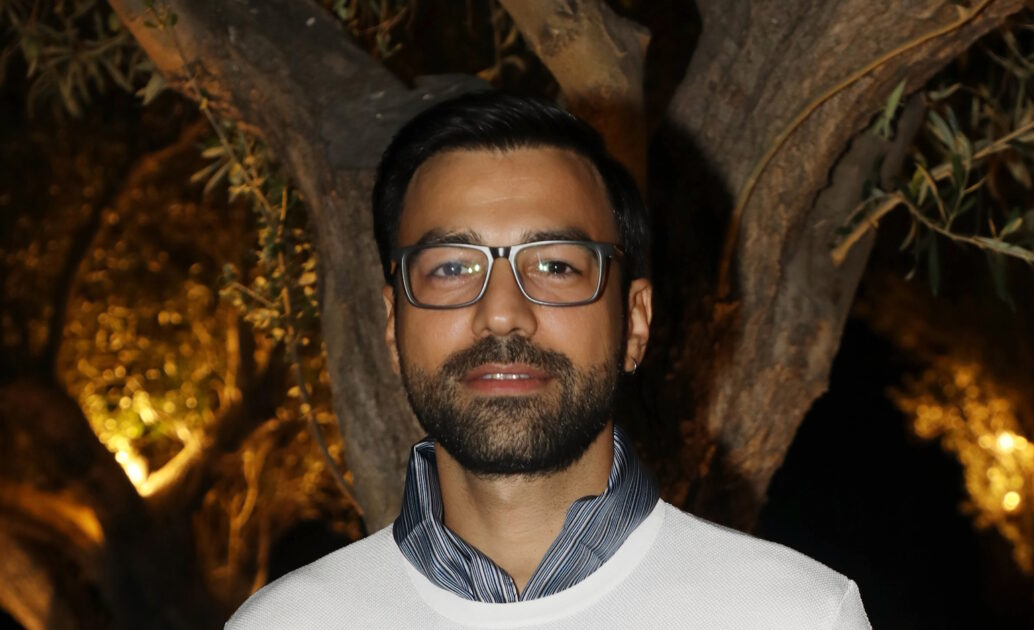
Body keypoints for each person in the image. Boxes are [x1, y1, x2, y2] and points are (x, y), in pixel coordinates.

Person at [226, 91, 871, 629]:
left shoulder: (794, 615)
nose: (502, 313)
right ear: (393, 326)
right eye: (451, 268)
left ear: (635, 323)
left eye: (557, 265)